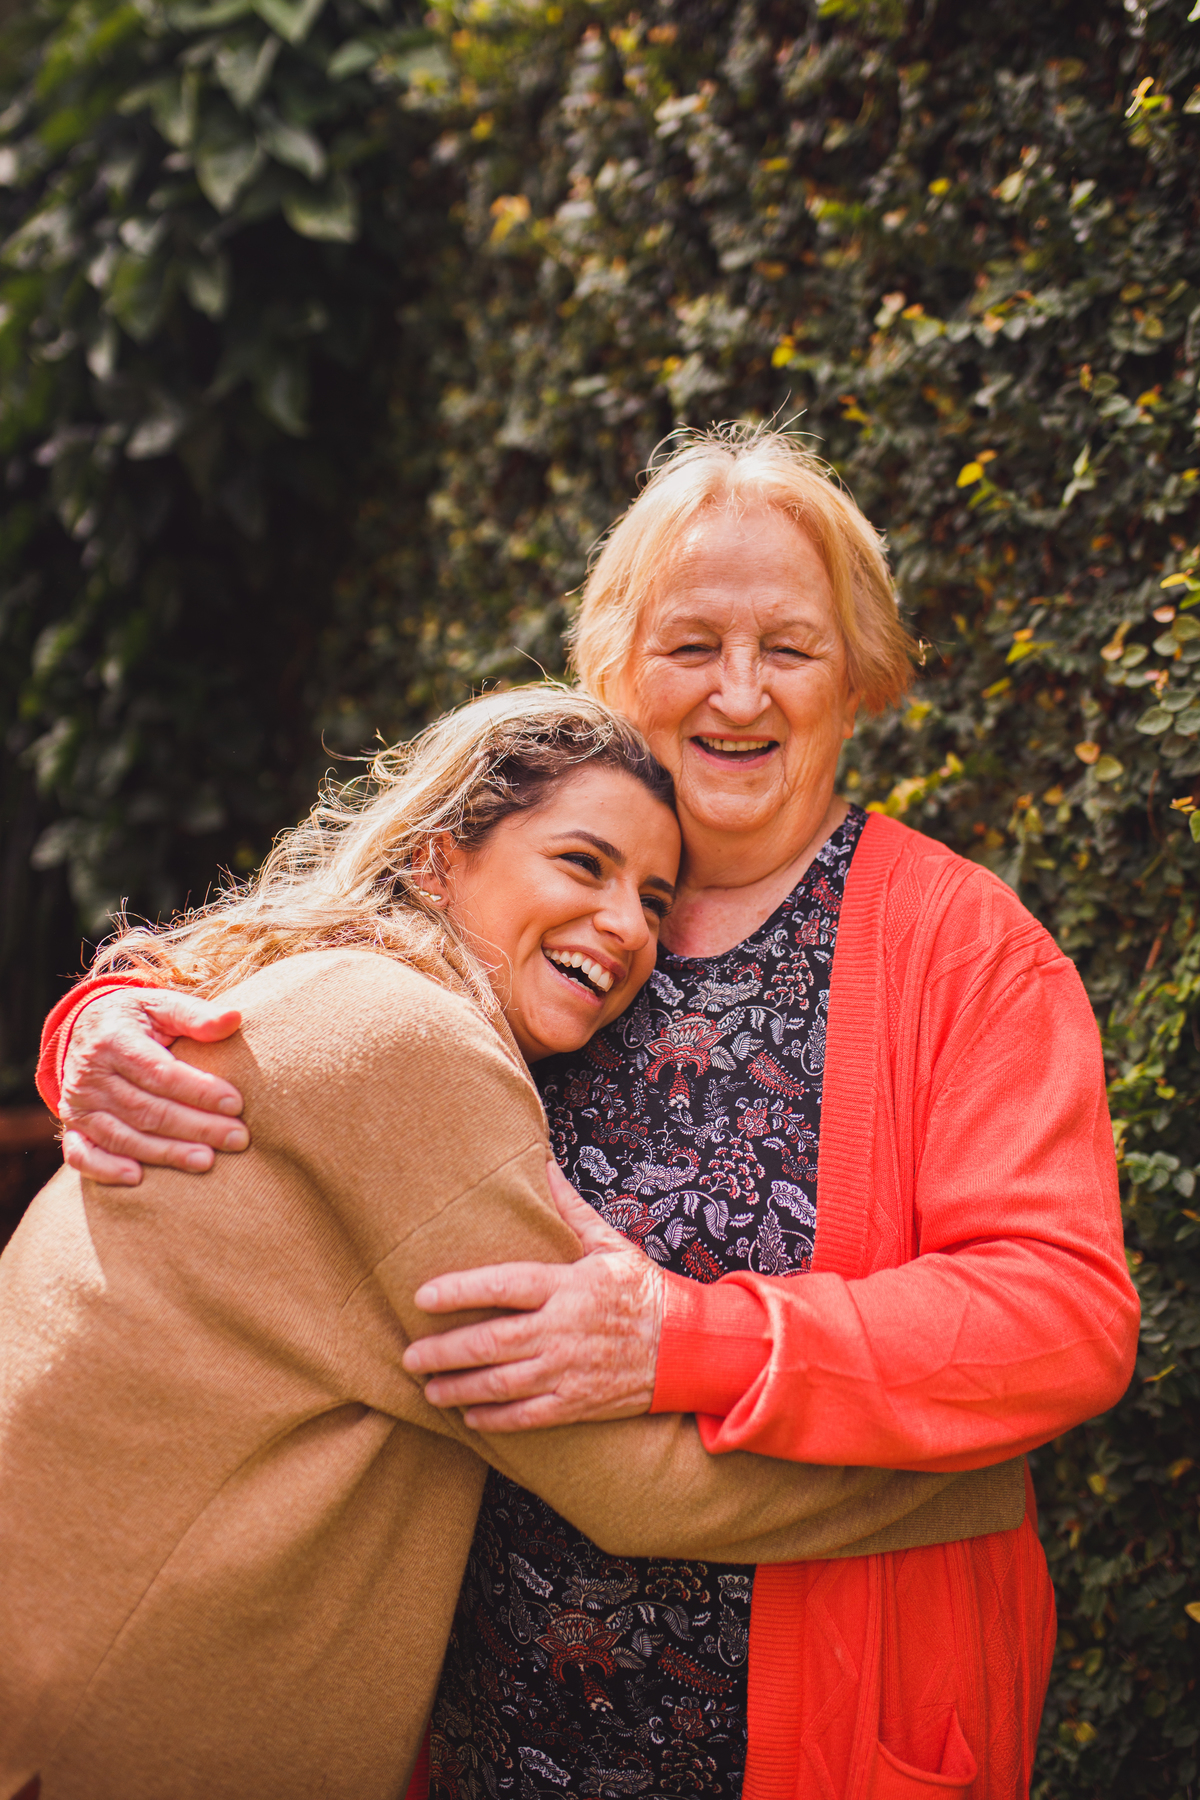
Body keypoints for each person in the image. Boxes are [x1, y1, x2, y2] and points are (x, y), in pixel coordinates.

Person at [39, 428, 1140, 1800]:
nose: (740, 689)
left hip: (830, 1741)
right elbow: (297, 972)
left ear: (857, 678)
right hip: (482, 1740)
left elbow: (1064, 1318)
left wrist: (693, 1337)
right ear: (617, 671)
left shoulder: (966, 953)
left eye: (789, 648)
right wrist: (103, 1028)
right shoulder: (540, 902)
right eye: (691, 644)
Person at [3, 688, 972, 1800]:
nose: (626, 926)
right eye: (582, 864)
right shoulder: (404, 1043)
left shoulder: (318, 990)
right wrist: (965, 1470)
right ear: (439, 857)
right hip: (100, 1739)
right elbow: (631, 1483)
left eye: (655, 901)